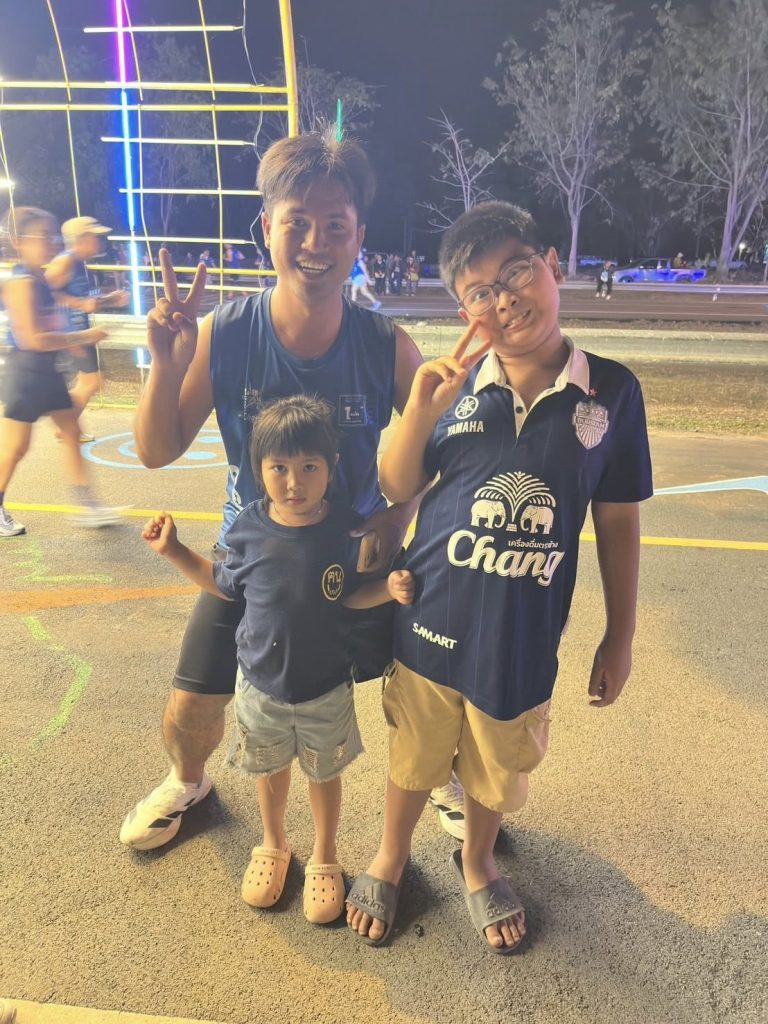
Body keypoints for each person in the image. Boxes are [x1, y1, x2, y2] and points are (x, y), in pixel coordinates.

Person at [346, 201, 652, 953]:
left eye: (516, 272)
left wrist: (620, 634)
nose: (504, 298)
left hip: (521, 637)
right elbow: (396, 484)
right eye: (480, 291)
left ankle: (478, 861)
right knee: (414, 755)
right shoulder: (451, 386)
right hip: (429, 621)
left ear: (552, 265)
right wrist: (420, 412)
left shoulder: (611, 392)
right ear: (466, 312)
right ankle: (390, 855)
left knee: (494, 766)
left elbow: (617, 521)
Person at [119, 128, 430, 852]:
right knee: (191, 702)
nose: (316, 243)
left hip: (353, 557)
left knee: (431, 678)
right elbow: (157, 450)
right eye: (298, 222)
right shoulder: (228, 332)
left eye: (336, 226)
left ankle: (437, 778)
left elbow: (442, 448)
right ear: (267, 229)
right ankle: (189, 780)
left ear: (359, 238)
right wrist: (165, 363)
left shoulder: (386, 344)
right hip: (254, 558)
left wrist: (398, 514)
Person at [143, 395, 415, 921]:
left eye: (309, 467)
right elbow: (223, 586)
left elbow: (350, 596)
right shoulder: (247, 529)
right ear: (258, 469)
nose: (294, 482)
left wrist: (388, 590)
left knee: (323, 774)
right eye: (279, 468)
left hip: (326, 686)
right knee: (268, 769)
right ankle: (272, 843)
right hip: (261, 685)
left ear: (332, 467)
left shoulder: (346, 529)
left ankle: (325, 854)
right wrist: (174, 550)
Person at [0, 207, 120, 537]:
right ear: (19, 241)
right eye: (43, 237)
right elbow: (32, 339)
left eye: (53, 236)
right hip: (26, 375)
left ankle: (88, 505)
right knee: (16, 449)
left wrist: (72, 340)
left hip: (47, 371)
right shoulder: (21, 283)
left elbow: (53, 320)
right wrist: (80, 337)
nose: (52, 243)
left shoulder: (40, 278)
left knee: (70, 432)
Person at [46, 216, 129, 441]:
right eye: (96, 237)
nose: (100, 242)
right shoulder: (65, 261)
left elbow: (85, 301)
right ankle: (65, 426)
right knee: (92, 381)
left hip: (78, 332)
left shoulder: (79, 263)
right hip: (72, 334)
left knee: (89, 381)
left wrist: (111, 299)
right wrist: (79, 305)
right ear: (81, 239)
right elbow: (45, 292)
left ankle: (66, 426)